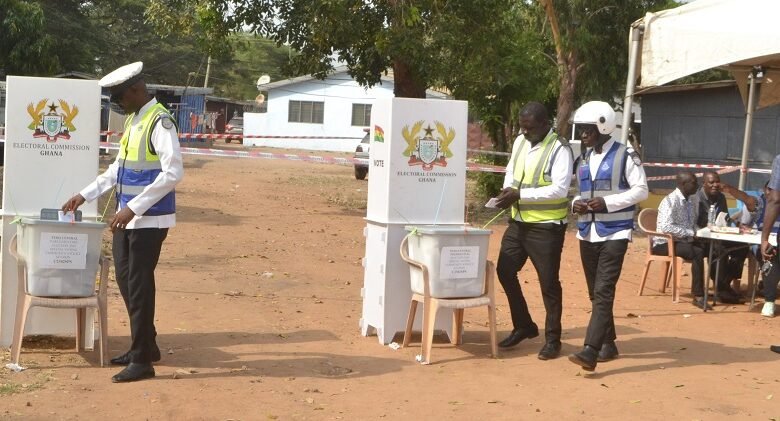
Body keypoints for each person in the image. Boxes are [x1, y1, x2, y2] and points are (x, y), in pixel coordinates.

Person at [62, 62, 184, 383]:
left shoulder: (160, 122)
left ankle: (142, 360)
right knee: (128, 282)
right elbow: (118, 168)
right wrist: (85, 195)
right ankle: (146, 344)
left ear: (135, 90)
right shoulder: (134, 120)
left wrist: (134, 208)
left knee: (140, 286)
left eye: (119, 97)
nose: (117, 104)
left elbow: (173, 172)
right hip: (126, 218)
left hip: (149, 219)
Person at [566, 101, 648, 371]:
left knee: (603, 291)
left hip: (615, 232)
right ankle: (609, 344)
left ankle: (590, 350)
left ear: (603, 126)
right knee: (594, 292)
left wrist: (609, 203)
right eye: (581, 131)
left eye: (588, 130)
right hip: (587, 233)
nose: (583, 136)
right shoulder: (585, 157)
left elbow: (641, 190)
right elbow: (581, 190)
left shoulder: (626, 155)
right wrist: (576, 203)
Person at [493, 102, 572, 360]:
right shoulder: (519, 142)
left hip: (546, 228)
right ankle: (524, 325)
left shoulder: (559, 149)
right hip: (518, 223)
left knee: (548, 283)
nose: (524, 132)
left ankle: (553, 339)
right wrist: (508, 191)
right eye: (522, 127)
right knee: (505, 270)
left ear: (545, 124)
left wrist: (521, 195)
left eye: (529, 128)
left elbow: (560, 190)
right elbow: (511, 172)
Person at [652, 172, 711, 310]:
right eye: (694, 182)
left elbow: (690, 224)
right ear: (683, 184)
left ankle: (721, 288)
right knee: (697, 252)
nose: (697, 185)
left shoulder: (689, 200)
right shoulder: (670, 201)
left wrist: (701, 231)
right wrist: (690, 233)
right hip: (664, 243)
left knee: (713, 248)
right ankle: (698, 296)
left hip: (682, 240)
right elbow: (666, 227)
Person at [695, 172, 754, 303]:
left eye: (717, 182)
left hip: (718, 235)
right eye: (711, 182)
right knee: (718, 248)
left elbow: (726, 218)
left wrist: (737, 226)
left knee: (742, 246)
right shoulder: (696, 198)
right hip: (701, 239)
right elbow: (693, 223)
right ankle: (723, 291)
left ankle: (724, 283)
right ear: (704, 183)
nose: (715, 185)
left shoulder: (721, 197)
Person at [735, 181, 779, 317]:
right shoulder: (760, 202)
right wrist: (729, 189)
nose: (770, 193)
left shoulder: (775, 201)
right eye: (769, 189)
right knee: (770, 259)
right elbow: (746, 199)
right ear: (765, 190)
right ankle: (769, 301)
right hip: (764, 242)